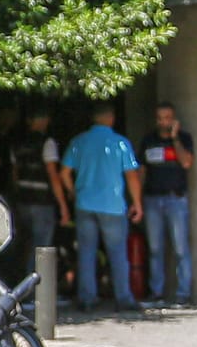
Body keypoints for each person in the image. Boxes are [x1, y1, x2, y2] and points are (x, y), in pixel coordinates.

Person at [61, 102, 143, 312]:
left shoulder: (79, 142)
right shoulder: (121, 143)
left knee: (86, 253)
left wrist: (73, 191)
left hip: (85, 203)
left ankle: (87, 299)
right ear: (111, 118)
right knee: (118, 254)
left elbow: (64, 172)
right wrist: (137, 202)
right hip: (113, 206)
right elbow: (132, 176)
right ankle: (123, 298)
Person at [139, 101, 195, 306]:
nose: (164, 122)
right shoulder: (148, 140)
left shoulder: (184, 138)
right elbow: (142, 171)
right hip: (152, 198)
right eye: (161, 118)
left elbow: (187, 162)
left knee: (180, 247)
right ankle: (157, 293)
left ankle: (183, 293)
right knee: (155, 248)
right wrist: (138, 200)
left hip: (176, 199)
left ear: (174, 119)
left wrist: (175, 138)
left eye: (168, 118)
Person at [7, 105, 67, 253]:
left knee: (28, 244)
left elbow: (15, 174)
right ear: (45, 121)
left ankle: (28, 274)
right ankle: (40, 276)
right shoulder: (47, 143)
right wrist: (63, 205)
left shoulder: (17, 143)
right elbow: (53, 175)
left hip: (23, 201)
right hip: (42, 202)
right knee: (43, 248)